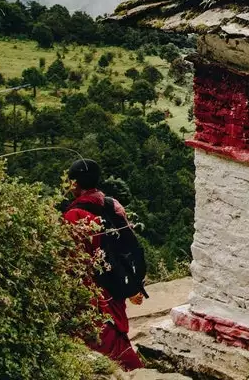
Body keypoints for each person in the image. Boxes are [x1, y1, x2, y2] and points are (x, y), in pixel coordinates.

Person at [60, 158, 145, 371]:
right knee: (115, 331)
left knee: (102, 336)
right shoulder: (112, 204)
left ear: (74, 184)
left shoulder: (74, 215)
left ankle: (131, 371)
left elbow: (74, 260)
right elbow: (127, 241)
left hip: (94, 286)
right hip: (116, 279)